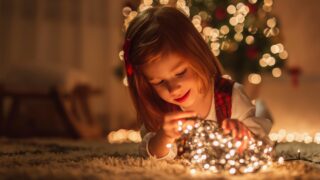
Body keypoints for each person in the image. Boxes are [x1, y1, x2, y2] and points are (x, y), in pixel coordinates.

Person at [122, 6, 272, 160]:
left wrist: (245, 134)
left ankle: (261, 108)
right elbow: (151, 155)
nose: (173, 89)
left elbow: (263, 144)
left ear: (198, 56)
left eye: (180, 73)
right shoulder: (159, 109)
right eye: (159, 82)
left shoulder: (231, 96)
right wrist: (164, 136)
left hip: (246, 111)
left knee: (261, 116)